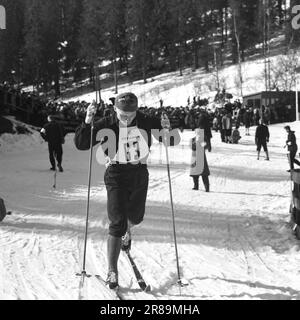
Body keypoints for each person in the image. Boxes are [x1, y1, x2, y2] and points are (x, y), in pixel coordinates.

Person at [74, 92, 180, 290]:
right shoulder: (107, 122)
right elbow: (81, 144)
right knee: (117, 223)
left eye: (130, 115)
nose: (126, 118)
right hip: (115, 173)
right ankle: (112, 270)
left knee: (136, 217)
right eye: (123, 114)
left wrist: (168, 127)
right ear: (115, 109)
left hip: (139, 172)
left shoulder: (146, 120)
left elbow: (170, 141)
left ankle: (127, 230)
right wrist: (87, 121)